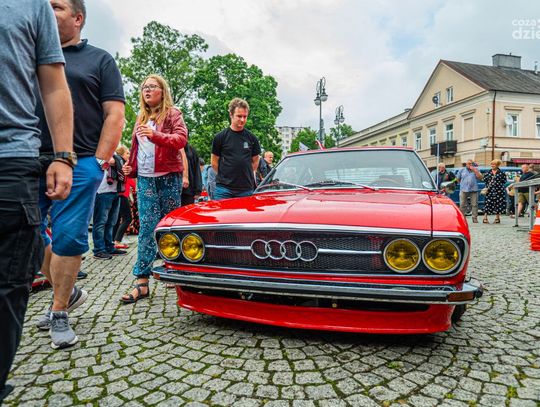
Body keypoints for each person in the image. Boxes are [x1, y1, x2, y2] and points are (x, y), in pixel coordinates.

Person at [34, 0, 125, 350]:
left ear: (78, 18)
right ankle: (69, 291)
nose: (47, 10)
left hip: (81, 160)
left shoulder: (99, 60)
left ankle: (59, 311)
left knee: (68, 238)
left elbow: (114, 114)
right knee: (25, 232)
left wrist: (98, 162)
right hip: (29, 158)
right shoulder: (31, 54)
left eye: (56, 6)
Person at [0, 0, 73, 399]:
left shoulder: (32, 6)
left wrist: (65, 156)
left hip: (13, 157)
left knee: (10, 282)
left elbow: (53, 83)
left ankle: (61, 304)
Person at [121, 74, 188, 303]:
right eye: (144, 87)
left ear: (162, 90)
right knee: (147, 227)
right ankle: (142, 281)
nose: (147, 90)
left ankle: (175, 270)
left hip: (169, 177)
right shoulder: (140, 117)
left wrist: (155, 135)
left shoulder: (173, 113)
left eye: (152, 86)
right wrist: (132, 168)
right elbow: (137, 149)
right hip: (146, 180)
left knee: (170, 226)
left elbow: (181, 140)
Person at [211, 98, 261, 199]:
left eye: (245, 116)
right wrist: (224, 176)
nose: (242, 120)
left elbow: (255, 161)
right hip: (223, 189)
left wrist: (245, 173)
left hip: (246, 189)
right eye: (239, 116)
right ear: (231, 114)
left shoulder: (252, 138)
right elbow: (214, 162)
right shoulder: (220, 137)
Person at [92, 152, 126, 259]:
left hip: (116, 190)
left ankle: (109, 247)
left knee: (111, 222)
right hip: (102, 191)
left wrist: (117, 161)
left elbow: (120, 162)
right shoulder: (99, 151)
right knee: (100, 222)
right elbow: (107, 162)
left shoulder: (114, 152)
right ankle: (99, 250)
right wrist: (117, 161)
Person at [113, 146, 134, 248]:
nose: (129, 155)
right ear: (121, 154)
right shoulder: (121, 164)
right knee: (127, 218)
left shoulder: (121, 163)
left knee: (117, 219)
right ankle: (117, 241)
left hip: (119, 194)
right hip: (121, 195)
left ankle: (113, 241)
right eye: (127, 153)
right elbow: (128, 180)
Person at [482, 160, 506, 224]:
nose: (492, 165)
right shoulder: (488, 173)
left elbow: (504, 181)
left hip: (499, 191)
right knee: (487, 203)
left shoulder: (501, 173)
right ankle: (485, 218)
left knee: (498, 204)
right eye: (491, 164)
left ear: (497, 165)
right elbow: (484, 180)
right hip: (489, 191)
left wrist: (497, 184)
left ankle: (497, 218)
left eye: (494, 164)